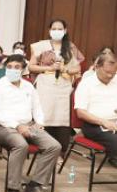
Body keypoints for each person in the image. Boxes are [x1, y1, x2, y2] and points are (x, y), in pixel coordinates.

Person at [0, 54, 60, 192]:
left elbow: (37, 107)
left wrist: (39, 123)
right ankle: (13, 189)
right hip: (3, 127)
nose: (12, 70)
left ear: (23, 70)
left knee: (54, 146)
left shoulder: (28, 86)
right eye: (9, 67)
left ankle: (35, 186)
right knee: (21, 145)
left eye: (16, 67)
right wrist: (17, 126)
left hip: (28, 125)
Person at [29, 19, 84, 153]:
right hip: (45, 85)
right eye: (54, 28)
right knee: (45, 115)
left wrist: (65, 69)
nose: (57, 31)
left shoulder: (70, 47)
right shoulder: (40, 46)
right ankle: (43, 148)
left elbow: (76, 68)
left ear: (65, 31)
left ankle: (60, 152)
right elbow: (31, 66)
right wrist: (49, 67)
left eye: (60, 29)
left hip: (63, 87)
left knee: (61, 118)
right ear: (49, 30)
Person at [74, 50, 117, 167]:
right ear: (97, 67)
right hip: (94, 126)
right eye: (107, 72)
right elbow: (81, 113)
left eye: (113, 73)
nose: (110, 76)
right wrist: (103, 121)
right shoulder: (86, 84)